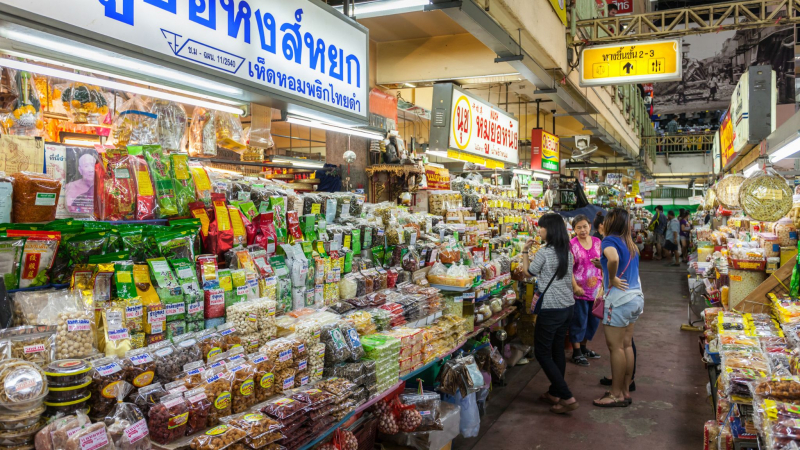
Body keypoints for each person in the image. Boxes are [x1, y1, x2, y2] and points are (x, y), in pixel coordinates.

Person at [521, 213, 578, 414]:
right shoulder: (567, 252)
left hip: (551, 309)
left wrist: (525, 251)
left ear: (550, 230)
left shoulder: (545, 252)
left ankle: (566, 395)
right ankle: (555, 393)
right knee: (556, 350)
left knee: (542, 353)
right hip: (567, 307)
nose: (539, 230)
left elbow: (528, 273)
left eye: (541, 227)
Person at [593, 208, 644, 408]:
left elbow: (613, 258)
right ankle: (624, 389)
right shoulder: (630, 243)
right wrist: (604, 267)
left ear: (610, 224)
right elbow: (618, 262)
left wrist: (612, 277)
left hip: (619, 301)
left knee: (616, 348)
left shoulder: (609, 241)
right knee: (626, 345)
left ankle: (615, 395)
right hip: (635, 299)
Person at [569, 215, 603, 366]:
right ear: (574, 229)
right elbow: (568, 269)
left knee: (592, 322)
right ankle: (576, 352)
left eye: (584, 226)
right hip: (580, 291)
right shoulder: (572, 244)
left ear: (590, 226)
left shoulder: (597, 242)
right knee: (579, 321)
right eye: (578, 227)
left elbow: (604, 263)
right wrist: (575, 287)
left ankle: (583, 348)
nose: (582, 230)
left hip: (596, 291)